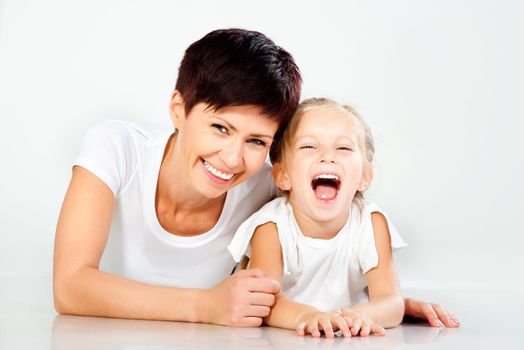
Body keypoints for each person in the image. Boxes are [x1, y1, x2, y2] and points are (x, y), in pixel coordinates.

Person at [54, 28, 459, 328]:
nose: (231, 159)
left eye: (256, 140)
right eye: (220, 128)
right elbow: (70, 287)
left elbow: (326, 242)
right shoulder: (116, 149)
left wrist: (387, 303)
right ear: (178, 107)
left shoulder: (267, 185)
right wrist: (206, 306)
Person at [228, 98, 460, 337]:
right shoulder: (271, 227)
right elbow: (262, 303)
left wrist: (365, 315)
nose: (327, 157)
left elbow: (391, 300)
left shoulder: (370, 223)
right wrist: (308, 317)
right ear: (283, 175)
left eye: (343, 148)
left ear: (364, 177)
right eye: (309, 146)